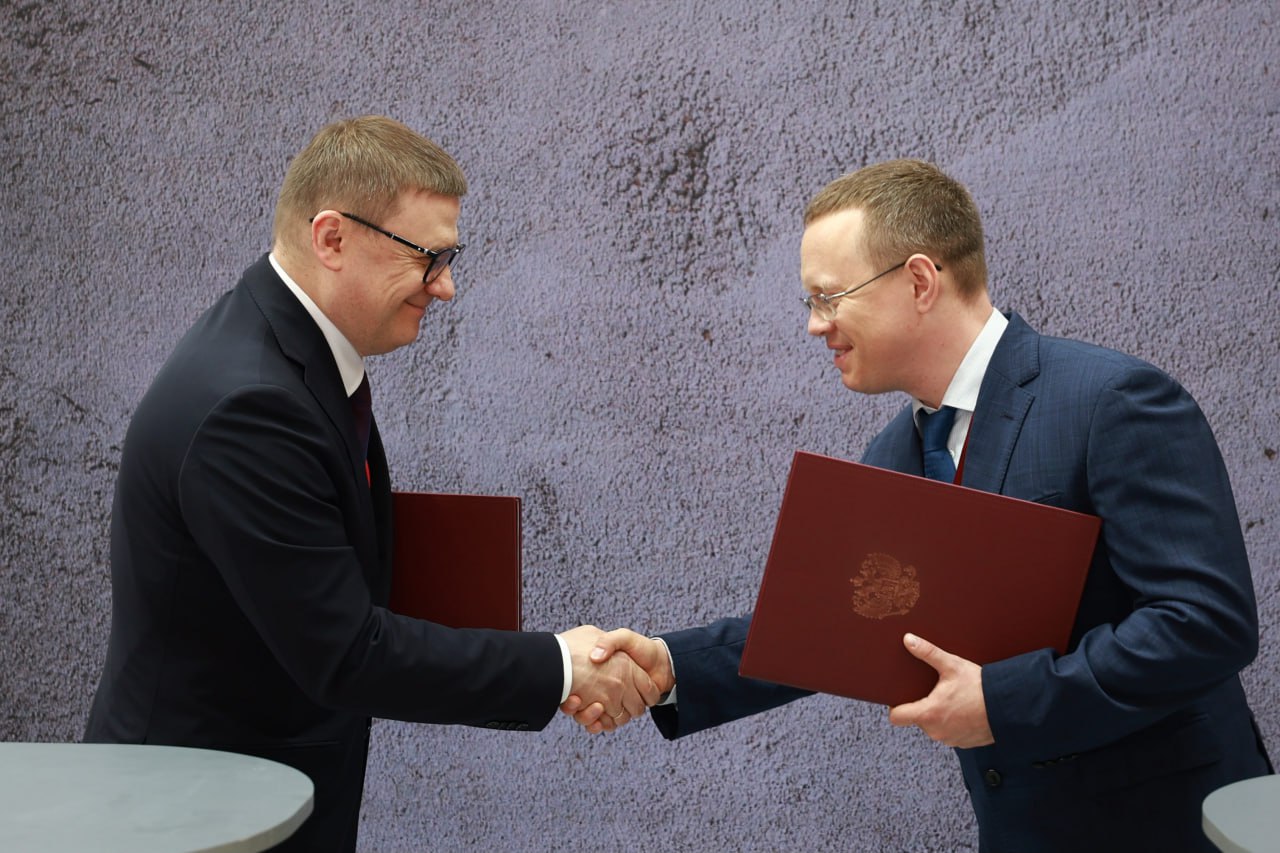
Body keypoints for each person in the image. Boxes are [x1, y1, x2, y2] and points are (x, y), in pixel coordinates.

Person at [566, 159, 1273, 851]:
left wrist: (1002, 701)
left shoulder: (1110, 401)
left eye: (829, 296)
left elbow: (1206, 622)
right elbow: (827, 626)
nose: (816, 325)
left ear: (919, 281)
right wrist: (670, 666)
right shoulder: (895, 453)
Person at [83, 115, 657, 853]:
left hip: (247, 797)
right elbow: (345, 652)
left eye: (451, 257)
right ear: (332, 239)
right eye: (429, 257)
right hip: (191, 820)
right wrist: (560, 665)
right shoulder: (249, 407)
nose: (446, 287)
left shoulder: (289, 357)